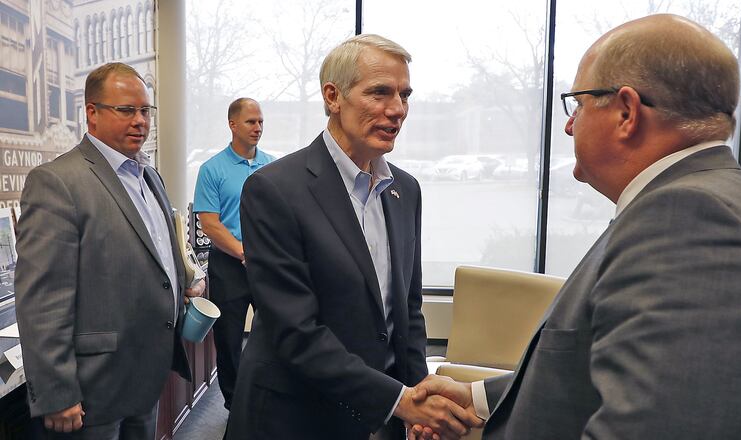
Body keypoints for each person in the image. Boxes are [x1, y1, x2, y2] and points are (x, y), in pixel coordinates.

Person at [411, 14, 741, 440]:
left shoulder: (691, 222)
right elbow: (593, 368)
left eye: (579, 104)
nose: (570, 125)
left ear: (627, 112)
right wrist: (478, 398)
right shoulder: (699, 202)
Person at [226, 34, 481, 440]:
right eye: (380, 92)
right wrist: (399, 400)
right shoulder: (273, 189)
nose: (397, 110)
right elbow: (295, 330)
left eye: (404, 95)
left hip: (383, 420)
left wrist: (419, 402)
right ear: (333, 96)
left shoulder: (405, 190)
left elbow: (408, 315)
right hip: (295, 419)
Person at [15, 62, 205, 439]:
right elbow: (42, 299)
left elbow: (153, 250)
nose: (140, 121)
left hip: (146, 378)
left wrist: (183, 279)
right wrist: (56, 392)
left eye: (145, 110)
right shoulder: (57, 182)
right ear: (92, 113)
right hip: (91, 392)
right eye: (126, 110)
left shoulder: (150, 176)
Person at [193, 97, 275, 410]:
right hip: (229, 265)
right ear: (232, 124)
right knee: (228, 340)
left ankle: (269, 397)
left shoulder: (272, 166)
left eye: (261, 122)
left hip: (266, 264)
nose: (258, 128)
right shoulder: (212, 169)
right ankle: (235, 404)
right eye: (251, 122)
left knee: (276, 332)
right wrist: (244, 252)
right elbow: (210, 225)